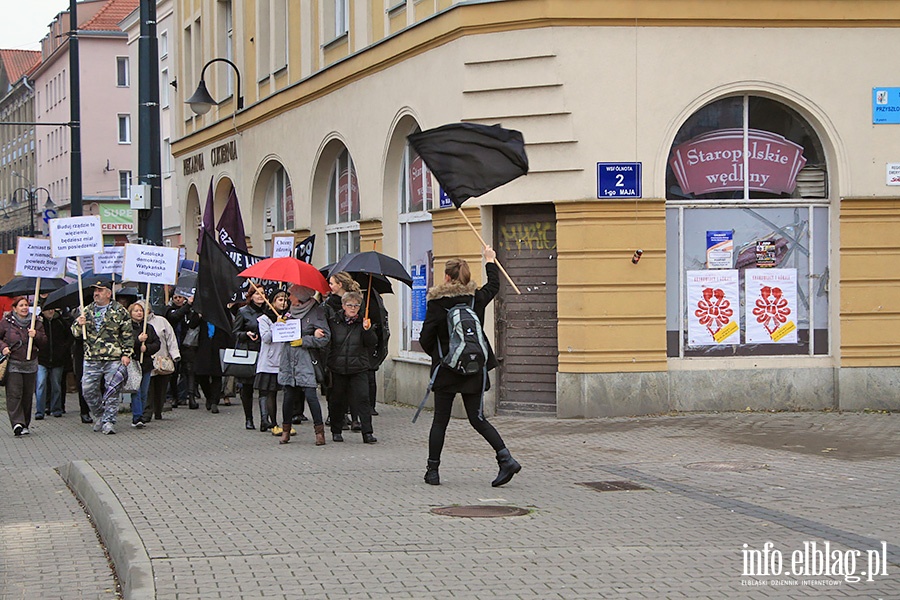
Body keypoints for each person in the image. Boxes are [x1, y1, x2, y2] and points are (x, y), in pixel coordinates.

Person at [418, 246, 520, 487]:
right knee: (477, 419)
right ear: (466, 277)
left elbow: (425, 339)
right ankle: (506, 459)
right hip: (474, 368)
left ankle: (433, 472)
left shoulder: (437, 303)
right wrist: (490, 260)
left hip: (446, 370)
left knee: (440, 421)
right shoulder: (476, 299)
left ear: (447, 277)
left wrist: (439, 356)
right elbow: (493, 286)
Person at [72, 281, 135, 435]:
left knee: (112, 391)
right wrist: (79, 325)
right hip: (92, 357)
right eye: (95, 290)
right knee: (87, 389)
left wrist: (127, 354)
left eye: (100, 290)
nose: (96, 293)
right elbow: (75, 333)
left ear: (108, 293)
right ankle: (100, 414)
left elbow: (127, 334)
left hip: (113, 357)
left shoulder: (119, 311)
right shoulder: (86, 310)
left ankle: (109, 421)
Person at [277, 284, 329, 446]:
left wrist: (304, 341)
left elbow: (325, 337)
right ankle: (286, 430)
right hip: (288, 359)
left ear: (300, 296)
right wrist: (279, 324)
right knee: (288, 397)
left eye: (291, 294)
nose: (289, 297)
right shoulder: (289, 312)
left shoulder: (316, 312)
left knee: (311, 396)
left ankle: (319, 432)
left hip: (306, 360)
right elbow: (280, 335)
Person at [326, 290, 378, 444]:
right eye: (350, 305)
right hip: (338, 367)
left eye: (356, 305)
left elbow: (372, 343)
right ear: (343, 306)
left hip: (359, 367)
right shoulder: (334, 322)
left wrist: (368, 330)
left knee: (363, 399)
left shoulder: (363, 322)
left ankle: (367, 432)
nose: (353, 308)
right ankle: (336, 430)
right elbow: (329, 343)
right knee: (337, 400)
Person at [0, 297, 47, 436]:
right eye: (21, 305)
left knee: (27, 395)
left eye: (26, 305)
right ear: (14, 308)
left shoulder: (36, 322)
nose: (25, 308)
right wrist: (3, 347)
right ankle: (17, 424)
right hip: (13, 363)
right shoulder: (6, 322)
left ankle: (25, 423)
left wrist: (36, 335)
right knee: (14, 394)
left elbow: (44, 342)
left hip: (30, 363)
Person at [324, 271, 361, 430]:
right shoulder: (329, 302)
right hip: (335, 349)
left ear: (340, 284)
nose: (330, 286)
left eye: (332, 283)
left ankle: (355, 418)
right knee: (335, 388)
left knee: (353, 390)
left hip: (354, 350)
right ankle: (337, 417)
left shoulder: (355, 299)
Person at [232, 287, 266, 430]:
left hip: (264, 352)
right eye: (257, 293)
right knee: (247, 388)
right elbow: (236, 332)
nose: (260, 296)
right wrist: (246, 334)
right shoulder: (243, 312)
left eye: (263, 293)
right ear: (251, 296)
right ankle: (249, 418)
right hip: (249, 352)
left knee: (265, 387)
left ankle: (265, 419)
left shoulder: (268, 311)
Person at [255, 288, 288, 432]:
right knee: (270, 392)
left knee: (286, 393)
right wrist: (277, 325)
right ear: (273, 302)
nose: (283, 303)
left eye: (285, 300)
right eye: (280, 300)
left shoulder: (288, 317)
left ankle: (286, 423)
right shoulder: (264, 319)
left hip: (283, 360)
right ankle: (272, 423)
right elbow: (266, 338)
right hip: (269, 362)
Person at [127, 301, 161, 428]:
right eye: (136, 311)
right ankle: (137, 417)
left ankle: (141, 413)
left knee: (144, 391)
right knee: (136, 390)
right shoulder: (128, 327)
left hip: (146, 364)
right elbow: (125, 342)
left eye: (141, 310)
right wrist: (137, 341)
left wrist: (147, 348)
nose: (139, 313)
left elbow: (157, 344)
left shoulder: (149, 328)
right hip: (134, 363)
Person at [145, 302, 179, 422]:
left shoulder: (161, 321)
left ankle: (158, 410)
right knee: (148, 387)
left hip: (162, 359)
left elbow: (171, 338)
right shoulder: (136, 324)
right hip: (146, 360)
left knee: (161, 387)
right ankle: (147, 411)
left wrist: (175, 355)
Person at [36, 306, 71, 419]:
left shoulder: (61, 321)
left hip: (58, 359)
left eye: (52, 309)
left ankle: (56, 408)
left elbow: (70, 336)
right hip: (42, 358)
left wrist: (63, 349)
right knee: (40, 384)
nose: (50, 311)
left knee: (56, 385)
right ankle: (40, 411)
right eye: (47, 309)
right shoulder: (38, 322)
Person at [166, 293, 200, 409]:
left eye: (180, 297)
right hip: (174, 345)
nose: (178, 299)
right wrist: (187, 306)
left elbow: (193, 325)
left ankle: (190, 397)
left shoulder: (190, 310)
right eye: (175, 297)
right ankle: (175, 397)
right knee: (174, 373)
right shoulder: (169, 310)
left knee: (189, 371)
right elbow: (174, 317)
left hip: (188, 345)